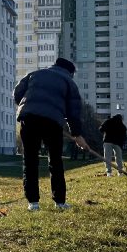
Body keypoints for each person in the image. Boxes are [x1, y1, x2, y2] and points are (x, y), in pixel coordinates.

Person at [14, 57, 88, 211]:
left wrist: (27, 106)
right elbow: (74, 110)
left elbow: (17, 92)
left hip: (29, 119)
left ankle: (33, 203)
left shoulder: (35, 74)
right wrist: (77, 134)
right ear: (70, 72)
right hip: (52, 122)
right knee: (55, 161)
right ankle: (59, 202)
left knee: (30, 160)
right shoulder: (69, 82)